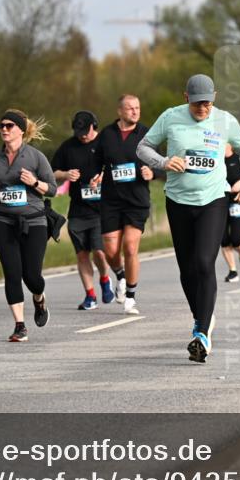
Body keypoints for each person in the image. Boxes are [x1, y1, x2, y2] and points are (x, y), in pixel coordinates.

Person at [137, 74, 240, 362]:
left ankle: (202, 332)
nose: (203, 108)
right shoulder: (171, 117)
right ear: (184, 97)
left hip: (213, 200)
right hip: (177, 201)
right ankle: (202, 318)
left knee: (204, 262)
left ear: (214, 97)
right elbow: (143, 147)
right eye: (197, 103)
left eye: (207, 102)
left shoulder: (225, 120)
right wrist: (163, 162)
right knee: (187, 269)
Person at [0, 109, 58, 342]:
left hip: (34, 221)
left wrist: (35, 182)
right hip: (3, 221)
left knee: (32, 275)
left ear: (21, 130)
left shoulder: (36, 157)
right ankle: (19, 325)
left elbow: (53, 189)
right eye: (1, 126)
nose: (4, 130)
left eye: (9, 126)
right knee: (12, 273)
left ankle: (39, 299)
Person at [52, 110, 115, 310]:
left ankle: (105, 279)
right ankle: (90, 295)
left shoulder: (104, 143)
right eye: (78, 131)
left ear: (94, 126)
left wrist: (104, 177)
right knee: (81, 254)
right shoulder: (68, 147)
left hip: (101, 209)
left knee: (99, 251)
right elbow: (52, 173)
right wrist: (66, 174)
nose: (82, 135)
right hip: (78, 209)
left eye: (85, 131)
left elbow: (118, 167)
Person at [97, 94, 154, 315]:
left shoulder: (146, 134)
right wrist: (94, 175)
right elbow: (97, 162)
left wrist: (153, 172)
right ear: (120, 111)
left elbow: (159, 160)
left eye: (137, 108)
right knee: (110, 251)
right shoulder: (107, 135)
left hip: (137, 200)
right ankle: (120, 275)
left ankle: (130, 296)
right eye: (130, 108)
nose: (134, 112)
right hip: (111, 201)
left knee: (130, 246)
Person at [220, 142, 240, 282]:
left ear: (230, 144)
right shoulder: (216, 160)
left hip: (237, 202)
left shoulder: (239, 159)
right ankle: (232, 271)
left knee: (235, 239)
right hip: (220, 203)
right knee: (223, 240)